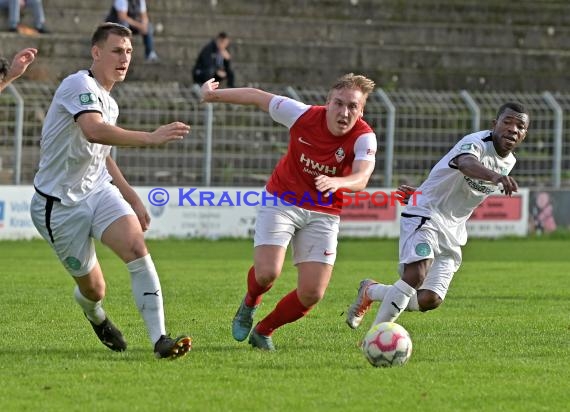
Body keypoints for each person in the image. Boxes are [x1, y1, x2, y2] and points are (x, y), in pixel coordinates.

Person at [30, 23, 192, 359]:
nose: (125, 58)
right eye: (117, 50)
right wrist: (150, 137)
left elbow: (102, 154)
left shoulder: (110, 103)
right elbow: (93, 131)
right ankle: (95, 315)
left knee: (135, 245)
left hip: (97, 192)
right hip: (58, 206)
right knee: (93, 289)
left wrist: (131, 195)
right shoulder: (78, 84)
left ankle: (160, 339)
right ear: (96, 52)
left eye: (129, 52)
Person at [201, 73, 377, 350]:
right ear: (328, 103)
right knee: (267, 273)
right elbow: (258, 97)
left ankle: (263, 331)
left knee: (312, 293)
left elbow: (362, 177)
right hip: (282, 199)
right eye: (339, 104)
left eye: (353, 106)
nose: (344, 112)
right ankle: (250, 302)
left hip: (324, 211)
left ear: (361, 110)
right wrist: (213, 95)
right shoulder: (302, 115)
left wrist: (338, 182)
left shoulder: (364, 138)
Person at [345, 102, 530, 332]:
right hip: (427, 213)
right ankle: (376, 336)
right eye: (507, 122)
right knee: (417, 273)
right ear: (495, 124)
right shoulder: (476, 143)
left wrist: (424, 190)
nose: (513, 129)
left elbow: (454, 183)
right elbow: (464, 163)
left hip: (453, 230)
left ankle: (370, 291)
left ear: (524, 134)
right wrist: (494, 177)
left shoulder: (509, 162)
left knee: (430, 299)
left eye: (520, 126)